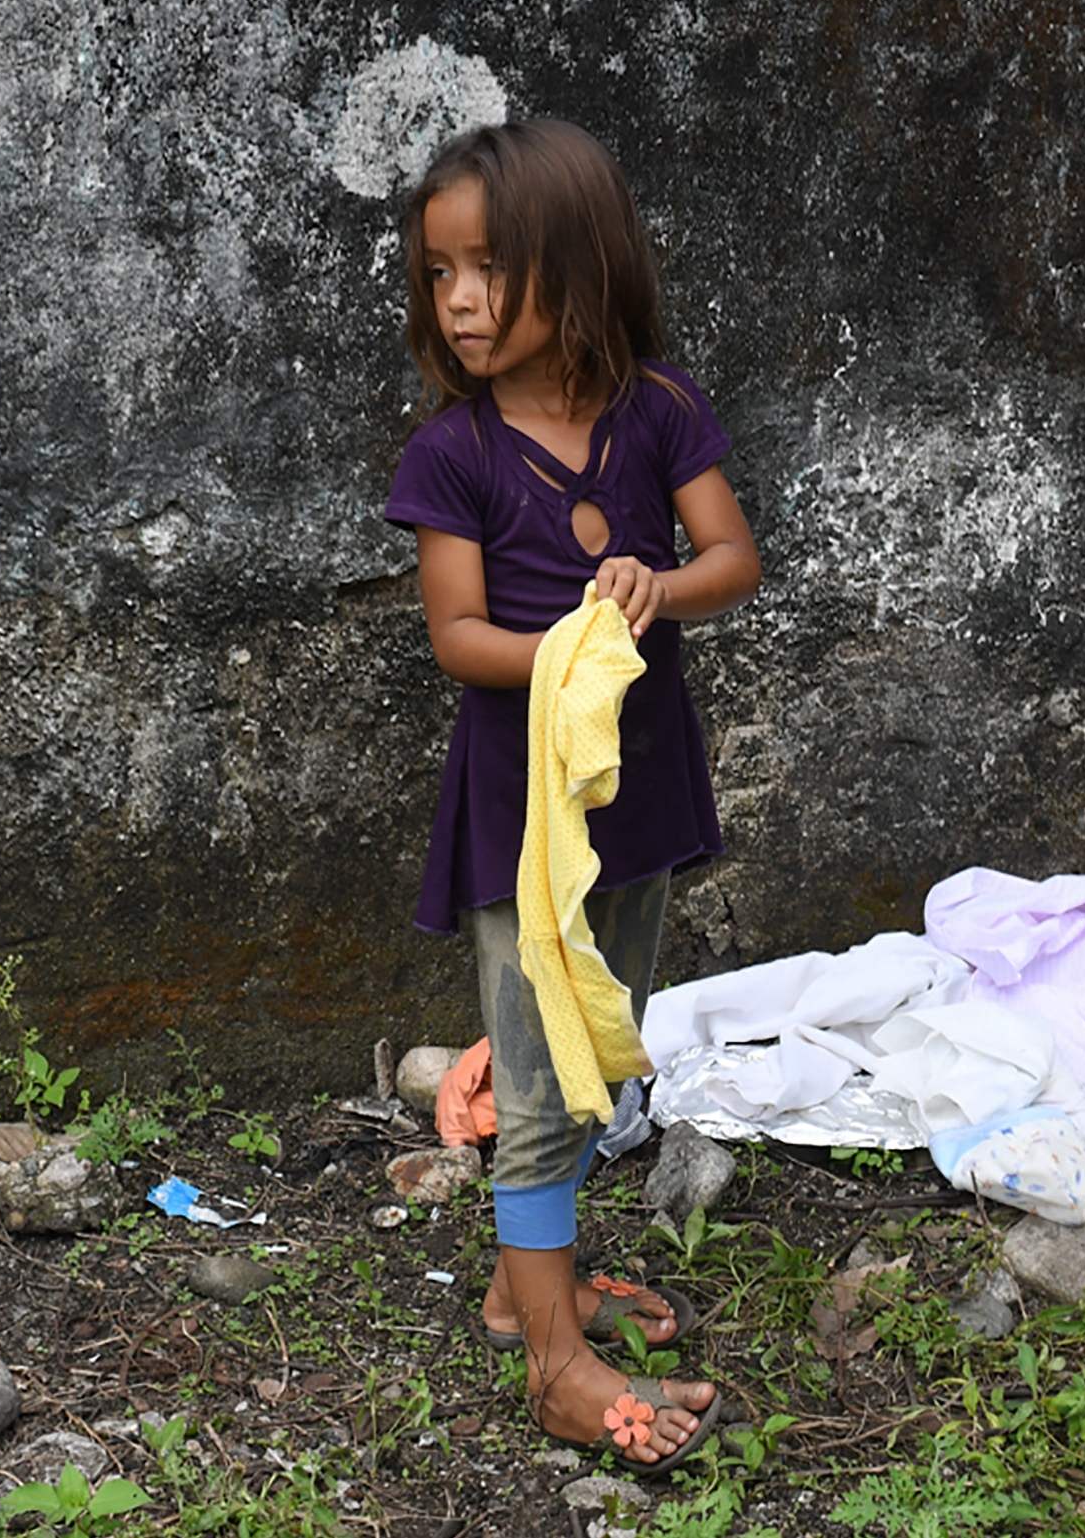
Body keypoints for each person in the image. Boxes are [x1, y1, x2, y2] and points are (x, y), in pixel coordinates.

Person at [384, 117, 763, 1473]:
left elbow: (731, 555)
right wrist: (566, 653)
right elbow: (457, 636)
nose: (465, 300)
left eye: (490, 266)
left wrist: (658, 586)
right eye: (440, 274)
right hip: (525, 817)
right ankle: (554, 1363)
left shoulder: (656, 411)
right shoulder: (457, 454)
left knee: (599, 1048)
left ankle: (518, 1286)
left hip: (642, 793)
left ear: (578, 264)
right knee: (537, 1083)